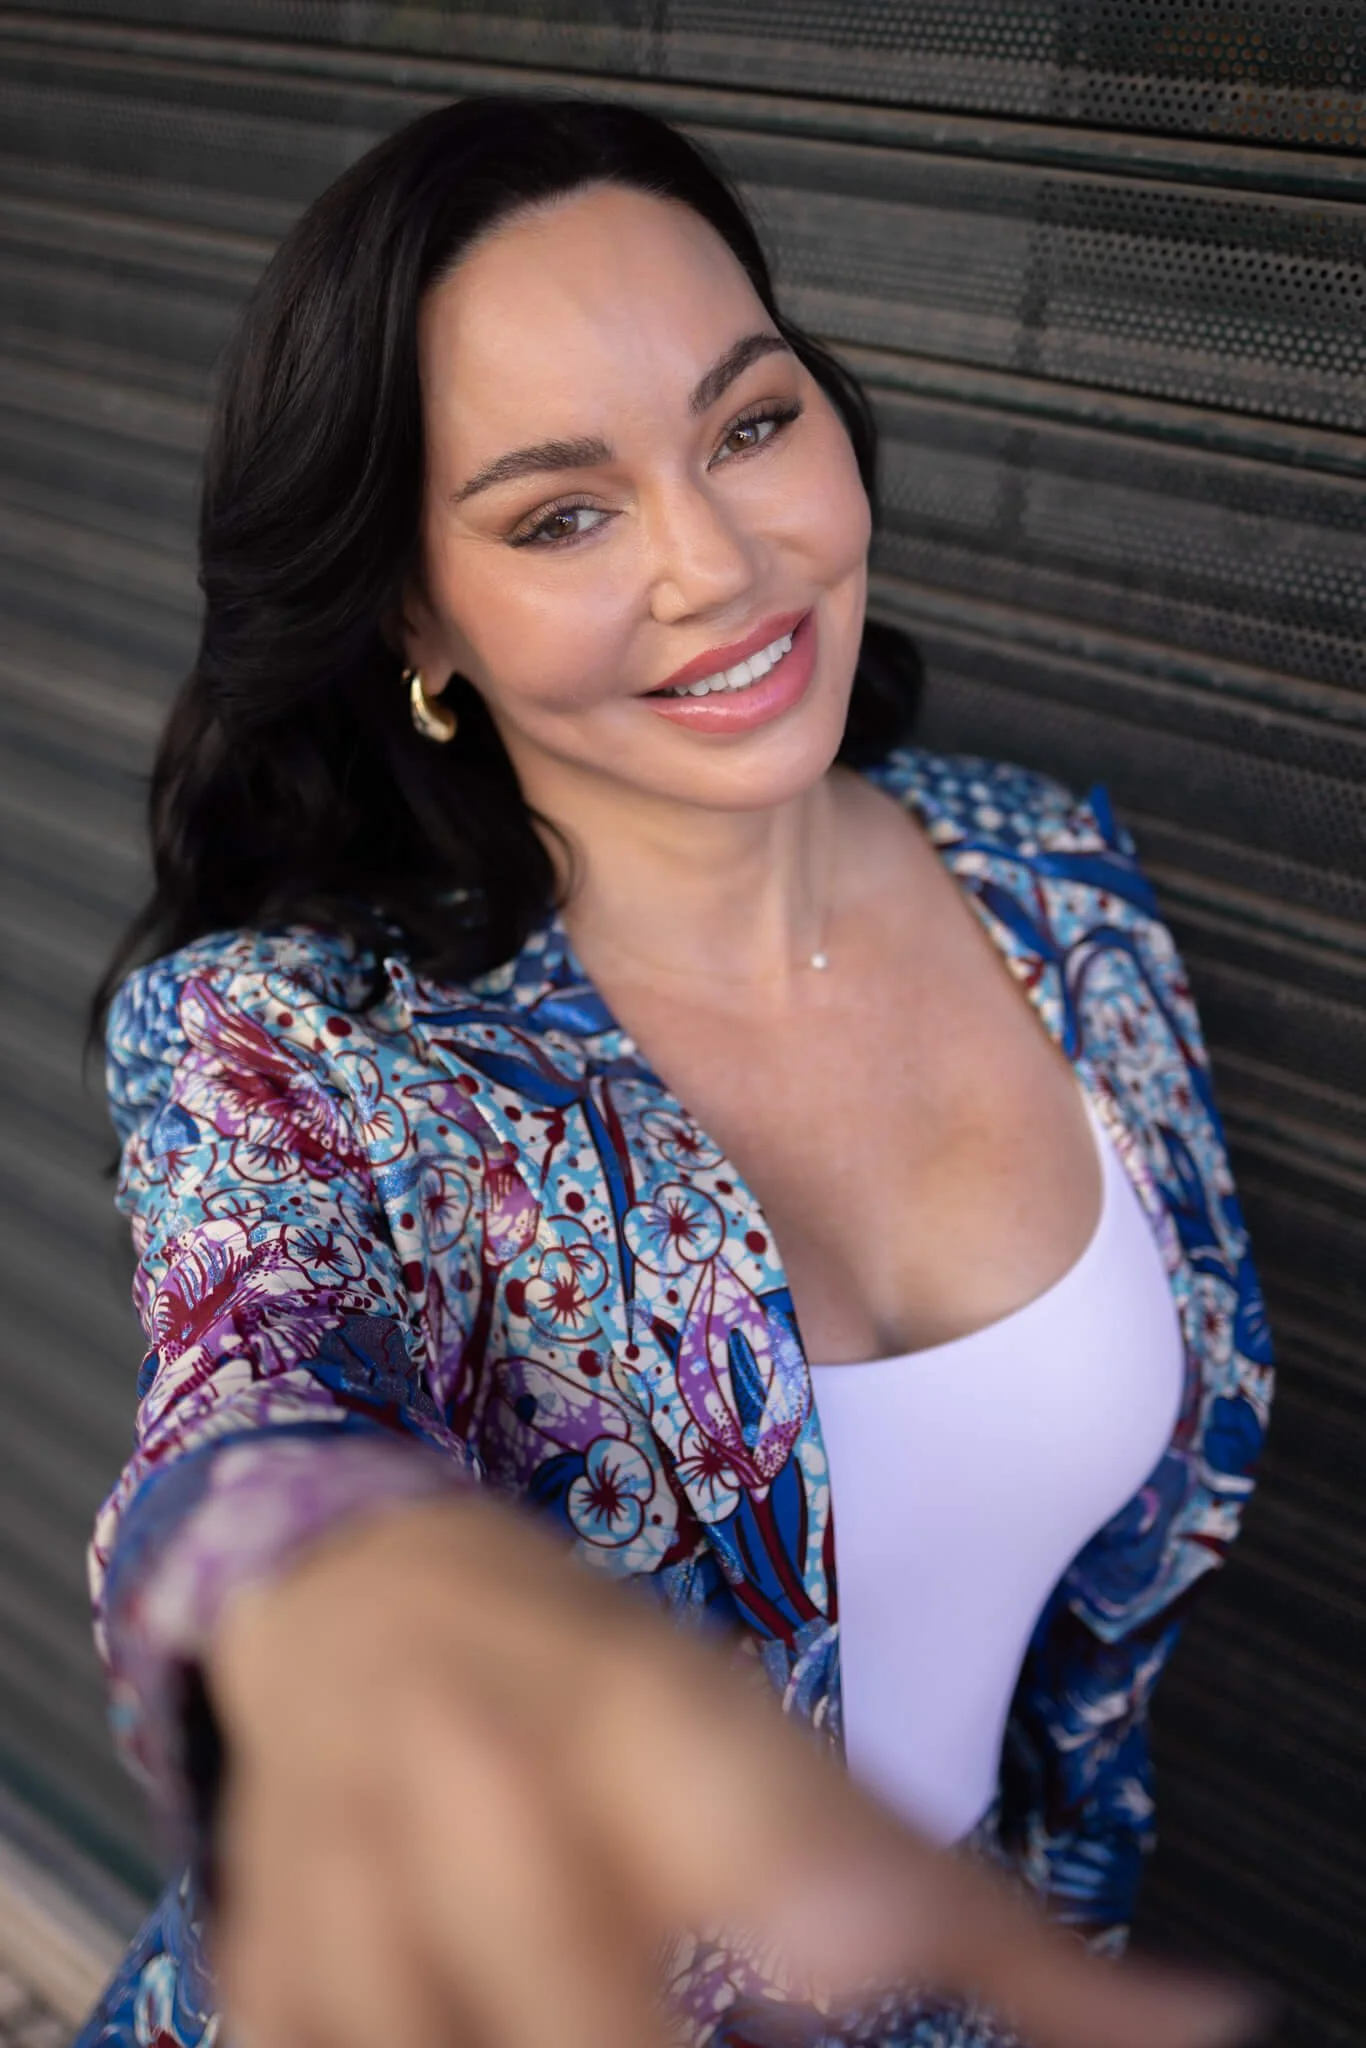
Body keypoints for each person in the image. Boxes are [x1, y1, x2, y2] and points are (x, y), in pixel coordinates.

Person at [79, 97, 1273, 2048]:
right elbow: (246, 1396)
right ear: (411, 614)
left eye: (746, 423)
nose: (717, 562)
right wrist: (326, 1598)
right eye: (561, 513)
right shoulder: (296, 1039)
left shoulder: (1054, 880)